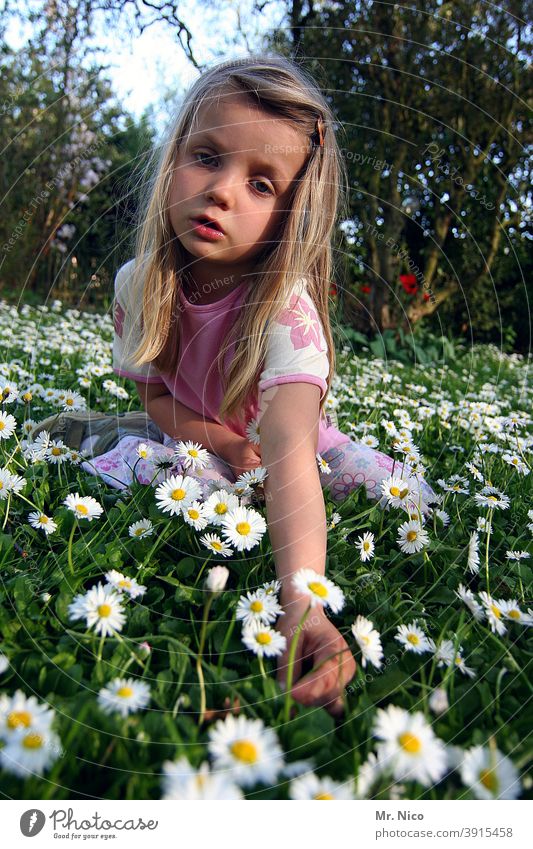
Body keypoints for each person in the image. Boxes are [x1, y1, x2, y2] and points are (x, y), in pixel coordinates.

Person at [36, 54, 438, 715]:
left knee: (389, 491)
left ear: (289, 217)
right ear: (171, 161)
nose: (221, 190)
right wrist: (212, 436)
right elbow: (155, 396)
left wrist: (302, 601)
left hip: (292, 447)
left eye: (260, 184)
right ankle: (98, 434)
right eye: (206, 156)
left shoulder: (285, 311)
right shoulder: (140, 283)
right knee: (150, 466)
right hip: (189, 437)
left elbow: (288, 458)